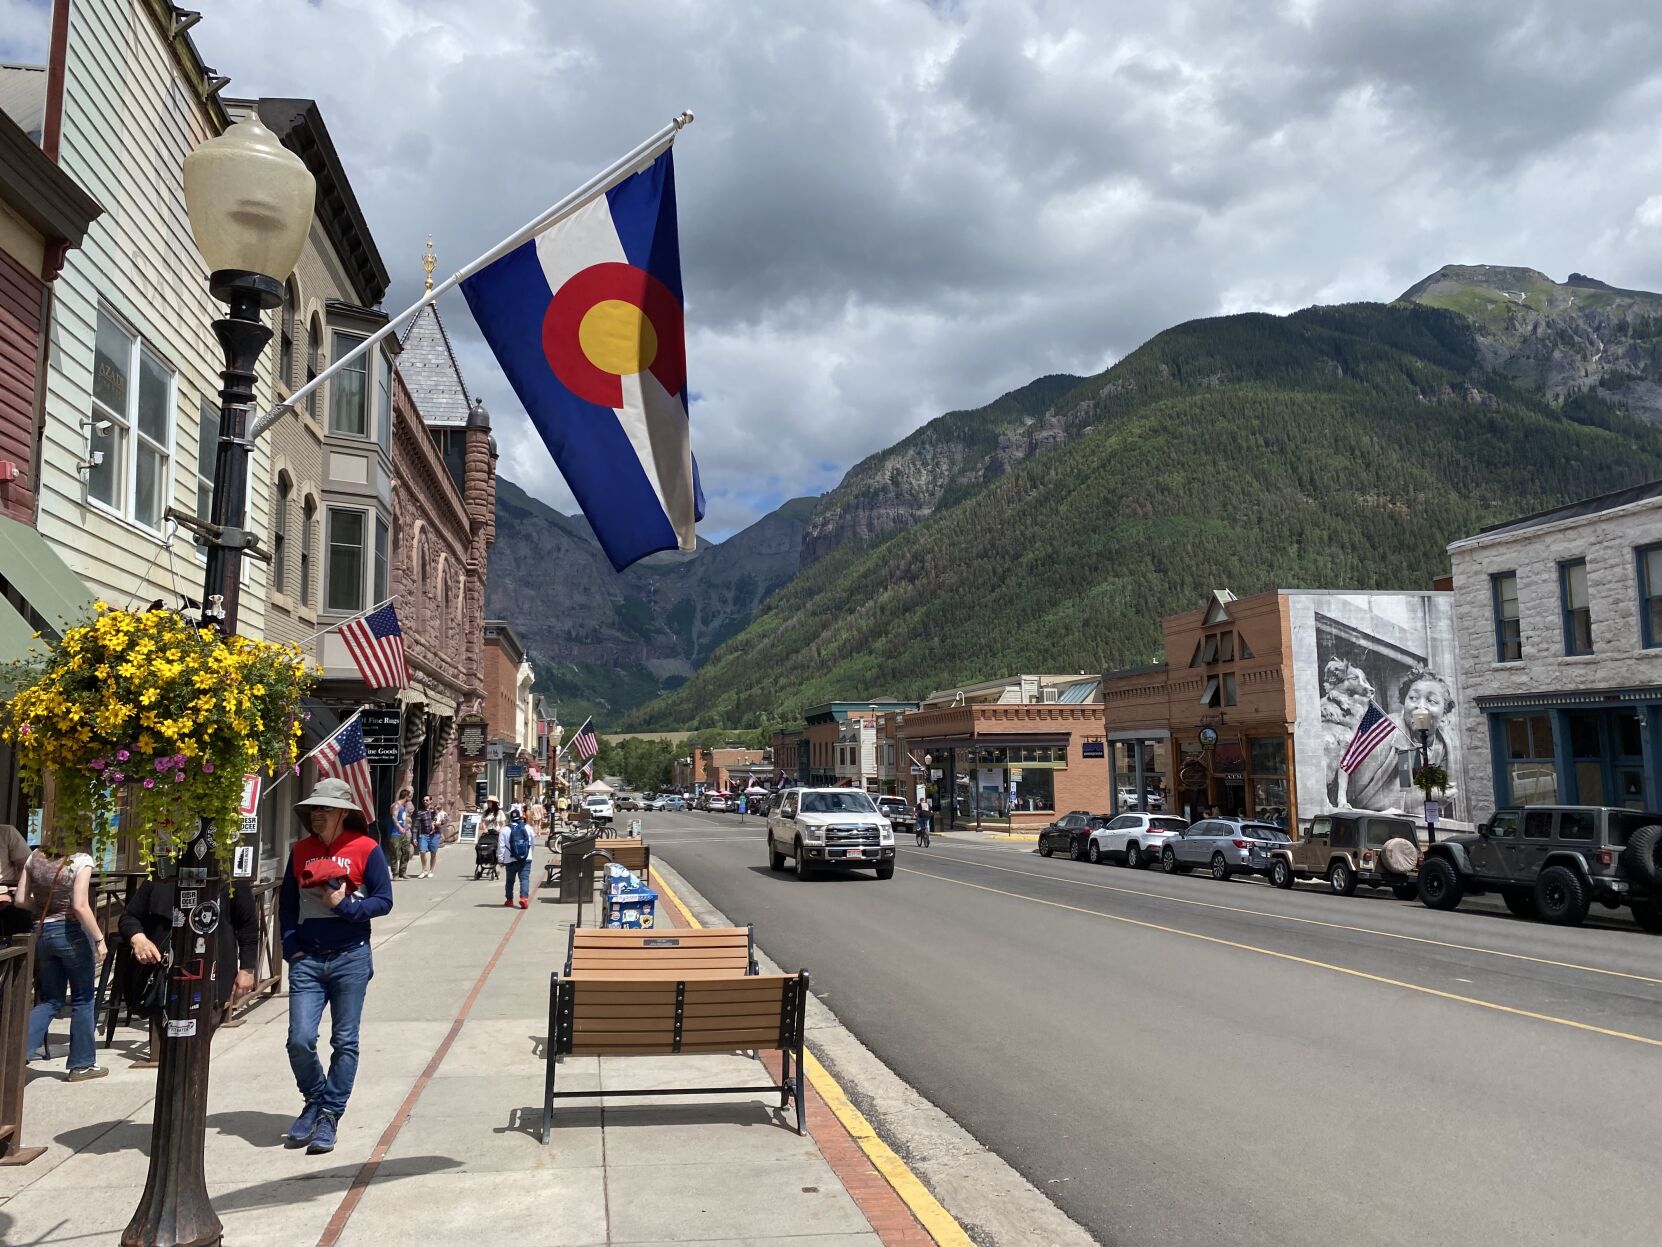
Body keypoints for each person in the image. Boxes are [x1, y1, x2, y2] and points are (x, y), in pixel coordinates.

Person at [279, 777, 394, 1155]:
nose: (317, 814)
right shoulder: (301, 851)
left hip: (351, 957)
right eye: (313, 808)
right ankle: (314, 1098)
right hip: (307, 960)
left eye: (324, 808)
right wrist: (290, 946)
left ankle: (330, 1113)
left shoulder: (366, 849)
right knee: (299, 1039)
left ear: (343, 813)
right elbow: (288, 903)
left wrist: (346, 907)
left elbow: (383, 900)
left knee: (345, 1041)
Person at [120, 875, 259, 1054]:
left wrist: (247, 969)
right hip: (164, 980)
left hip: (211, 981)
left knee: (194, 1051)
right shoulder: (162, 876)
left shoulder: (228, 876)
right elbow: (129, 917)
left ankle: (185, 1080)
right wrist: (138, 939)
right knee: (172, 1050)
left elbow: (248, 927)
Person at [18, 839, 106, 1080]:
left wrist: (41, 908)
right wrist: (99, 938)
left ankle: (15, 1055)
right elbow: (80, 905)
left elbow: (19, 899)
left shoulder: (34, 857)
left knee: (50, 999)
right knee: (83, 997)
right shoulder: (81, 860)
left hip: (42, 931)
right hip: (71, 931)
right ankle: (82, 1063)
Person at [1343, 668, 1458, 816]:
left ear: (1444, 714)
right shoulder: (1394, 734)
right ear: (1403, 704)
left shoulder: (1442, 745)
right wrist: (1434, 794)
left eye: (1431, 701)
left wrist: (1433, 816)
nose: (1420, 706)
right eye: (1413, 698)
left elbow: (1419, 799)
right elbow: (1360, 795)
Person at [0, 821, 33, 945]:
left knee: (20, 913)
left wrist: (14, 890)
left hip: (6, 895)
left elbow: (27, 865)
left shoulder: (6, 832)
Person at [501, 804, 533, 909]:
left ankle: (509, 900)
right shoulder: (527, 828)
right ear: (520, 817)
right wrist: (528, 853)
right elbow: (532, 843)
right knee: (524, 879)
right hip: (525, 859)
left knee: (510, 881)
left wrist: (501, 859)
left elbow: (501, 846)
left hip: (510, 859)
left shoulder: (505, 830)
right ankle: (523, 898)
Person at [386, 787, 413, 880]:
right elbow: (394, 817)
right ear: (405, 796)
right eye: (409, 796)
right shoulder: (396, 806)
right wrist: (399, 827)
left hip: (404, 832)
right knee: (394, 853)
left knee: (406, 851)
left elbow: (405, 818)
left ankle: (403, 871)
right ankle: (395, 874)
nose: (410, 798)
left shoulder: (405, 807)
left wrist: (407, 826)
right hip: (395, 833)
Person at [414, 794, 443, 878]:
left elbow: (443, 819)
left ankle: (431, 870)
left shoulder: (435, 811)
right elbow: (416, 826)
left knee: (433, 853)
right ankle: (424, 870)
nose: (425, 802)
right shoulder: (420, 812)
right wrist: (414, 837)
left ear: (431, 801)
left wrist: (437, 812)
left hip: (435, 835)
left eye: (427, 800)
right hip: (424, 835)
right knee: (422, 851)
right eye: (424, 800)